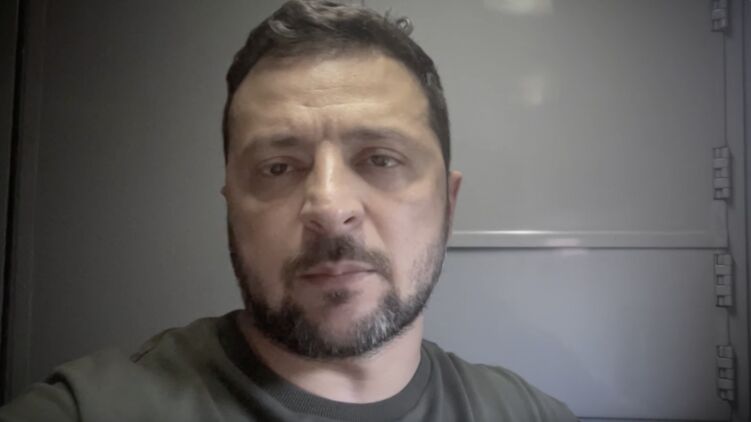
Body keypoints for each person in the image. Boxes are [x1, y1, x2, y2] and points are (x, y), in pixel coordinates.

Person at [0, 1, 578, 420]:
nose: (329, 206)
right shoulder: (92, 410)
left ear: (447, 205)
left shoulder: (528, 413)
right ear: (232, 209)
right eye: (278, 167)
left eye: (380, 159)